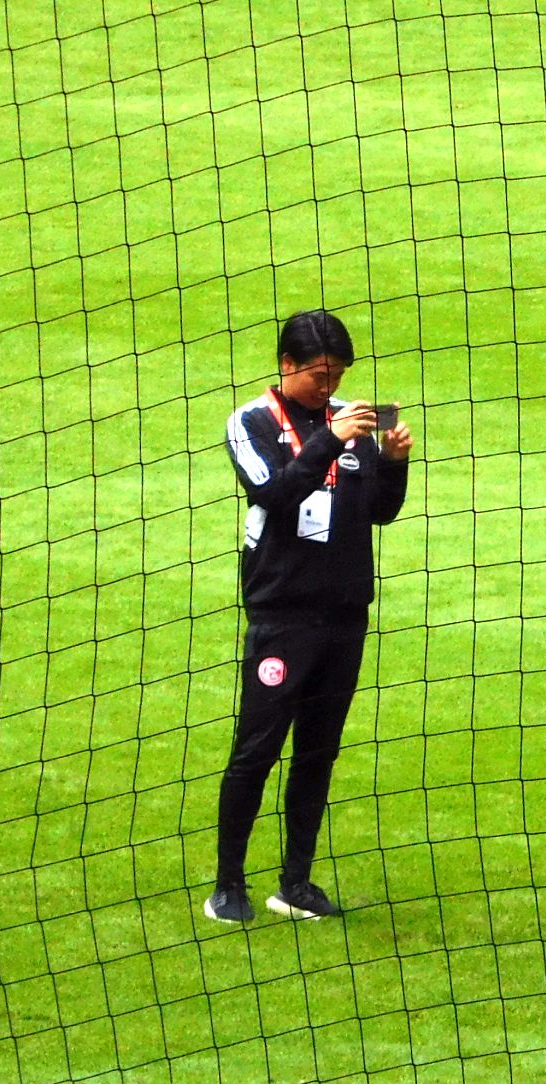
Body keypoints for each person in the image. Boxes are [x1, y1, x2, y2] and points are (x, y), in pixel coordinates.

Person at [204, 309, 414, 923]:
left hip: (345, 615)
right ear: (287, 365)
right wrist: (333, 437)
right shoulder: (251, 422)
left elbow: (378, 511)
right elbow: (274, 491)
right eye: (320, 375)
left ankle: (294, 883)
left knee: (318, 752)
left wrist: (393, 461)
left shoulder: (351, 422)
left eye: (338, 375)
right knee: (257, 751)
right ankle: (229, 886)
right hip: (283, 615)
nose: (329, 388)